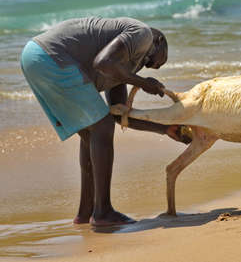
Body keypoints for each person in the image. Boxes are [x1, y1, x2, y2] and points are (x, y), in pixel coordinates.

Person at [20, 17, 190, 226]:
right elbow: (102, 62)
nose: (152, 67)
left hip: (34, 57)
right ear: (159, 42)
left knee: (92, 131)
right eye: (154, 61)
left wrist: (165, 129)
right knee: (101, 126)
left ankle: (86, 212)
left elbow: (119, 114)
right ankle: (103, 212)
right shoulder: (143, 33)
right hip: (51, 55)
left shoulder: (120, 64)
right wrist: (142, 83)